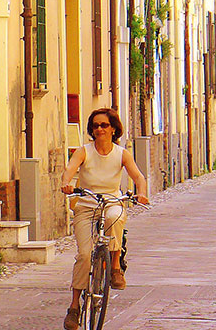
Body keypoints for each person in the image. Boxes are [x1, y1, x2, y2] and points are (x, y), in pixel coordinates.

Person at [59, 107, 149, 330]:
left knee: (115, 216)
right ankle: (74, 307)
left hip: (111, 202)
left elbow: (137, 176)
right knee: (83, 255)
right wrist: (67, 183)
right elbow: (69, 169)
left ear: (113, 129)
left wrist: (143, 192)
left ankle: (115, 267)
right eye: (96, 125)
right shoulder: (84, 151)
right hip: (87, 204)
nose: (99, 129)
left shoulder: (121, 153)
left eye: (104, 125)